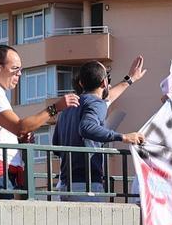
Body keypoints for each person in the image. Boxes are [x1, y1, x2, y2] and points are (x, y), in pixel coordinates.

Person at [0, 45, 78, 199]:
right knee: (0, 221)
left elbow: (12, 131)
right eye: (15, 69)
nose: (19, 74)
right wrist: (54, 108)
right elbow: (20, 127)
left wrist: (20, 139)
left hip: (5, 169)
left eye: (20, 69)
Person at [52, 59, 146, 200]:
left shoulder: (67, 109)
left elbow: (56, 147)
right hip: (87, 185)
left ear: (81, 83)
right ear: (104, 83)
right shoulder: (97, 103)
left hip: (65, 184)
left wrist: (130, 79)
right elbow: (87, 128)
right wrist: (124, 137)